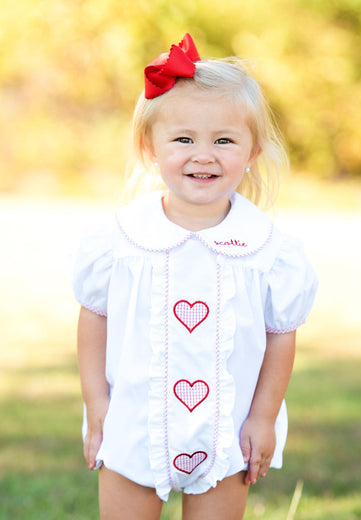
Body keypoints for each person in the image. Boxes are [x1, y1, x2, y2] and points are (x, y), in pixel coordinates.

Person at [73, 34, 318, 520]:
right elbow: (94, 319)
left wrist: (263, 418)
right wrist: (97, 402)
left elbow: (279, 336)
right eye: (184, 139)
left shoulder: (268, 252)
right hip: (133, 422)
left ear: (253, 151)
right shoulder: (120, 243)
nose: (203, 155)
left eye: (224, 140)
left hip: (226, 430)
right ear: (150, 147)